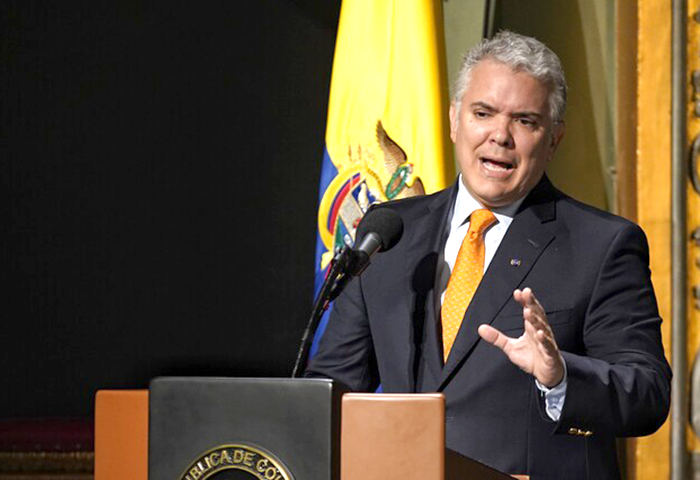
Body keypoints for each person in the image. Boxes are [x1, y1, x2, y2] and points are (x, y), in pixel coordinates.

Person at [306, 31, 671, 480]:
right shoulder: (388, 234)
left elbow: (647, 394)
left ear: (553, 139)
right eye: (483, 113)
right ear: (454, 120)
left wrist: (560, 377)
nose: (500, 136)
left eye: (525, 121)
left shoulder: (602, 245)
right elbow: (333, 390)